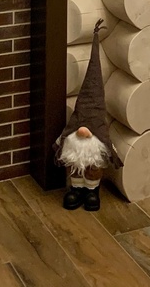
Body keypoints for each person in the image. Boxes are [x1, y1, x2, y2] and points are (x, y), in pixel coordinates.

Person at [54, 20, 121, 210]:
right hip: (75, 170)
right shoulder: (73, 135)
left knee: (93, 169)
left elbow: (110, 151)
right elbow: (60, 142)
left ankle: (92, 191)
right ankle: (76, 189)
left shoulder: (99, 139)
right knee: (75, 168)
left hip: (93, 169)